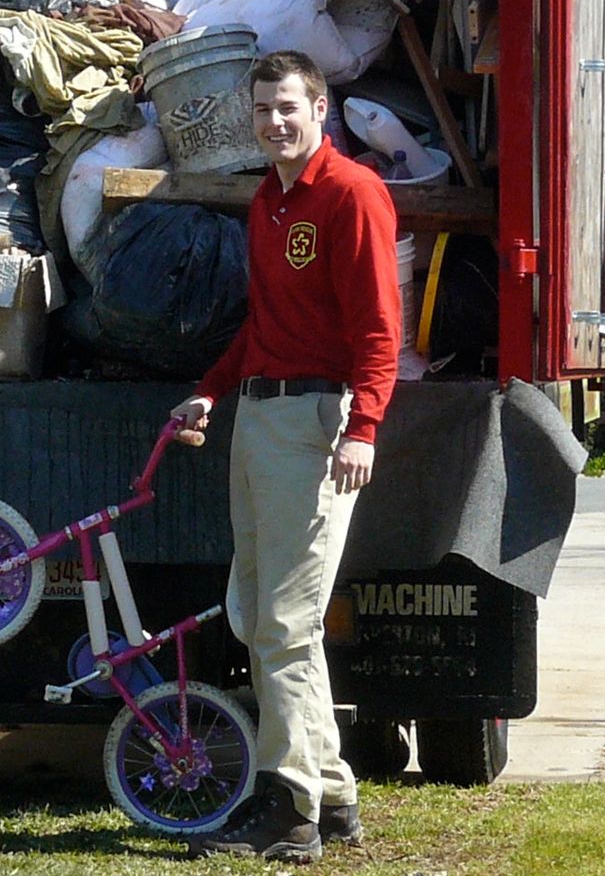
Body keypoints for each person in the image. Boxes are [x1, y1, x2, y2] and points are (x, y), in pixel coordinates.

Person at [171, 49, 402, 864]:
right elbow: (264, 325)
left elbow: (379, 328)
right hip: (258, 421)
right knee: (261, 614)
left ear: (322, 111)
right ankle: (333, 797)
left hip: (315, 422)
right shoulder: (266, 201)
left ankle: (288, 809)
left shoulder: (352, 194)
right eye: (264, 108)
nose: (275, 121)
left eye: (289, 108)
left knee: (285, 625)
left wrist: (363, 427)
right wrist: (211, 388)